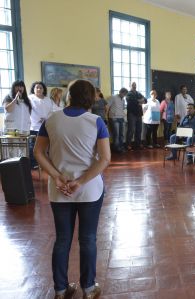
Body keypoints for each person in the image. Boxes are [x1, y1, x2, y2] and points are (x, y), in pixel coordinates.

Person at [34, 79, 110, 299]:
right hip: (89, 189)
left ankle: (60, 289)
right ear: (91, 98)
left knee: (62, 240)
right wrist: (82, 180)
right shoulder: (96, 121)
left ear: (69, 95)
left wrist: (57, 176)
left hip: (59, 189)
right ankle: (88, 288)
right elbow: (105, 158)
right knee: (87, 239)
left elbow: (39, 153)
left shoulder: (51, 119)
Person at [29, 81, 53, 168]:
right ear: (33, 89)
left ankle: (44, 164)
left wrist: (46, 118)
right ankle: (33, 164)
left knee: (46, 147)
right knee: (33, 146)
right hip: (33, 126)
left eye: (40, 87)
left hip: (46, 126)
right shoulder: (30, 98)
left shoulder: (48, 100)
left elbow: (51, 111)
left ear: (43, 89)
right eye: (37, 87)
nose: (39, 89)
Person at [126, 82, 146, 150]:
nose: (134, 86)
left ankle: (138, 144)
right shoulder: (128, 94)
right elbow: (131, 101)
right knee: (131, 130)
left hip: (139, 114)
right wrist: (140, 101)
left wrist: (140, 101)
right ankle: (128, 145)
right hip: (132, 114)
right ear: (130, 86)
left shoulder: (138, 93)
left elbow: (145, 100)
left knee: (139, 130)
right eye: (133, 85)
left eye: (135, 85)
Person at [107, 88, 128, 153]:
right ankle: (116, 148)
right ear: (120, 92)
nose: (124, 95)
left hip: (121, 118)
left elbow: (122, 109)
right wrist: (107, 117)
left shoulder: (123, 100)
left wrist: (124, 117)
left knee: (121, 134)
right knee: (116, 134)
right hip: (114, 118)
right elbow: (107, 106)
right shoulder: (113, 97)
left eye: (125, 94)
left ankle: (121, 147)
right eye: (123, 94)